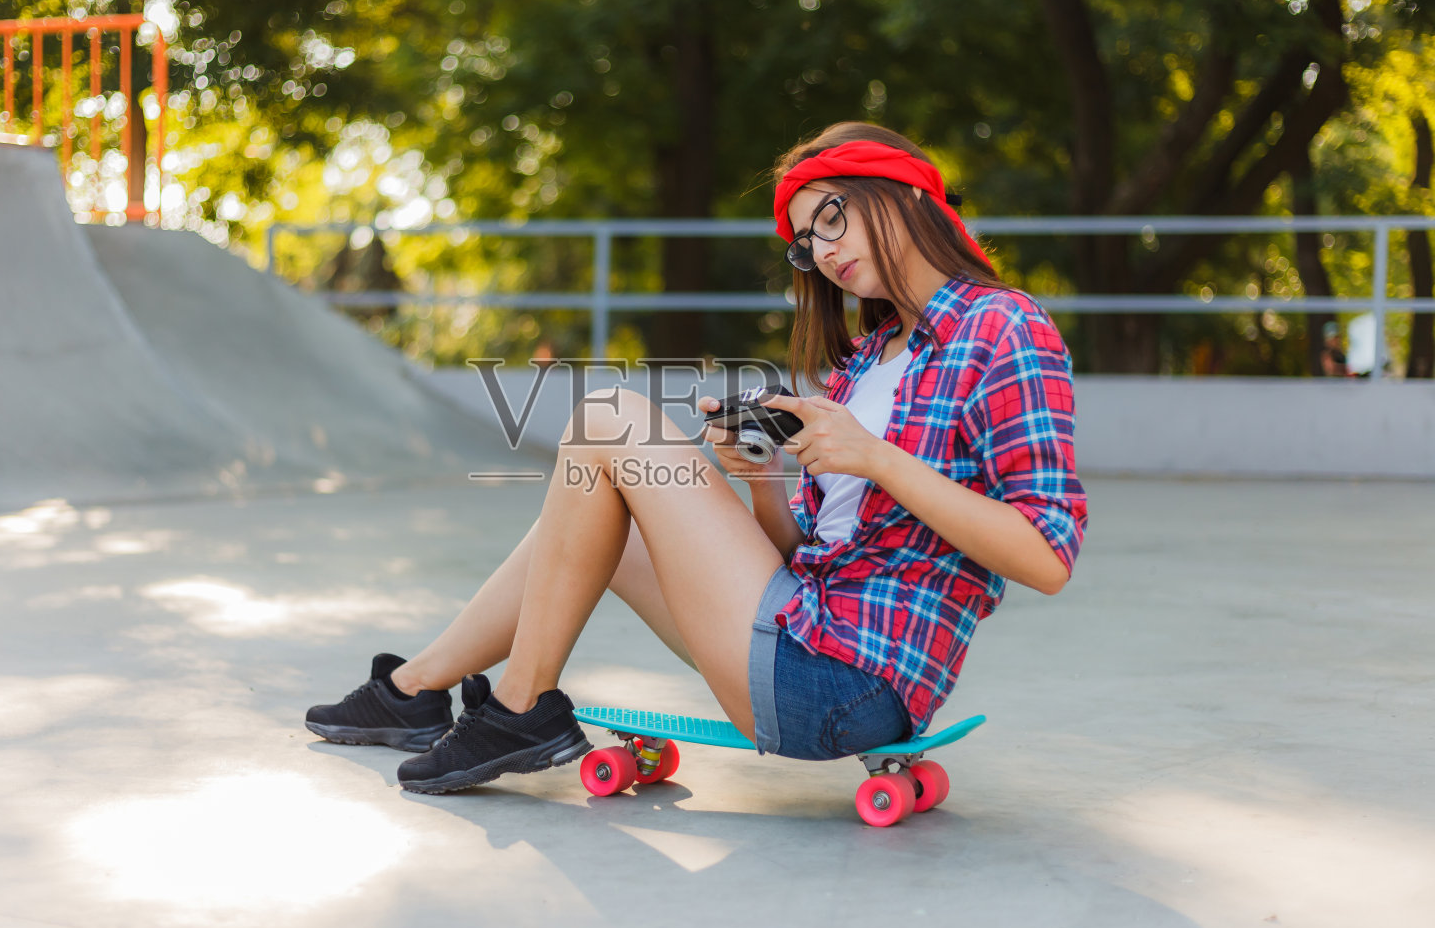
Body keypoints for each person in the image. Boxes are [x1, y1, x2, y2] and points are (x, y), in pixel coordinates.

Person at [304, 121, 1089, 794]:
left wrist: (877, 458)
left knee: (608, 416)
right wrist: (767, 483)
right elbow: (797, 556)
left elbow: (1048, 557)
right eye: (808, 241)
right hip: (806, 626)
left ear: (910, 193)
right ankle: (415, 689)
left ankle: (519, 707)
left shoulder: (1003, 328)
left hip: (843, 682)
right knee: (589, 509)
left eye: (834, 217)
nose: (822, 249)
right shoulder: (868, 361)